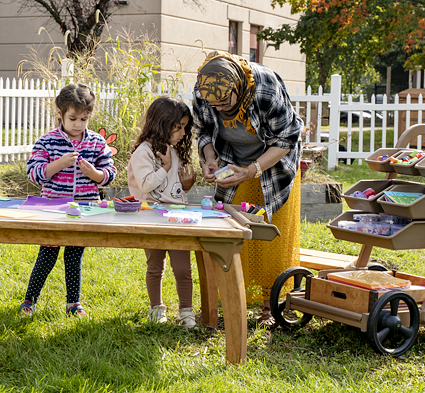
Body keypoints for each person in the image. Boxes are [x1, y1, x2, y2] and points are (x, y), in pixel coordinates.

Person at [193, 51, 303, 327]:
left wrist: (253, 170)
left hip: (273, 162)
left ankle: (272, 307)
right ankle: (234, 300)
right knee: (233, 232)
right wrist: (209, 158)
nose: (218, 109)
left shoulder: (266, 89)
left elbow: (287, 137)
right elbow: (204, 130)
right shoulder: (203, 88)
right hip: (232, 160)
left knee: (269, 235)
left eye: (223, 103)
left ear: (238, 88)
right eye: (212, 103)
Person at [19, 83, 117, 317]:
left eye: (84, 119)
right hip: (53, 210)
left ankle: (73, 303)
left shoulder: (95, 142)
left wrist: (93, 173)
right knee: (46, 256)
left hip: (84, 210)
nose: (78, 124)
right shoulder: (47, 141)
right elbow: (34, 173)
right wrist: (58, 164)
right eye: (73, 118)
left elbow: (109, 175)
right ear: (60, 114)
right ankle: (29, 301)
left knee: (74, 256)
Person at [127, 96, 197, 328]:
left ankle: (186, 310)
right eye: (178, 127)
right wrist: (166, 168)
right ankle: (157, 308)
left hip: (177, 217)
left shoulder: (174, 150)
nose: (183, 133)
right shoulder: (144, 153)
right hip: (151, 216)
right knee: (155, 266)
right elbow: (146, 185)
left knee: (183, 268)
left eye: (185, 127)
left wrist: (186, 185)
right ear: (162, 124)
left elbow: (173, 190)